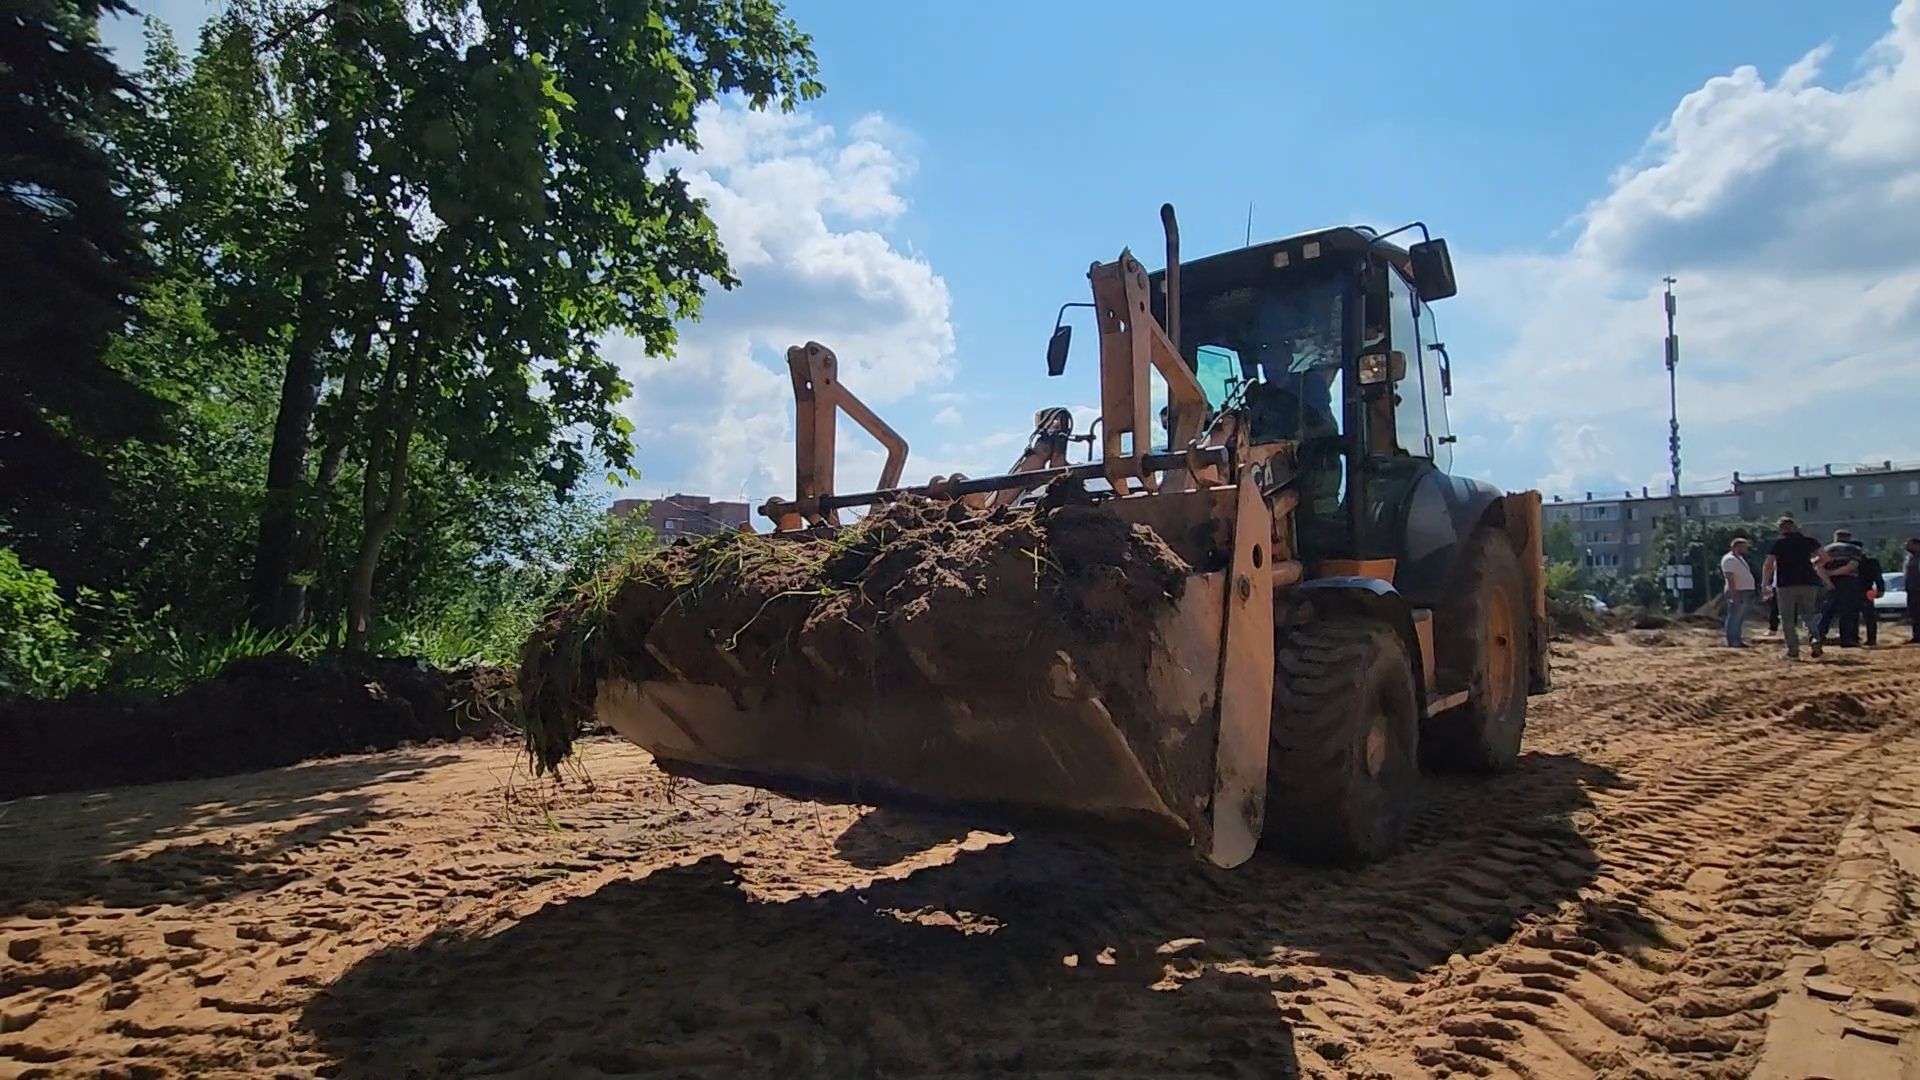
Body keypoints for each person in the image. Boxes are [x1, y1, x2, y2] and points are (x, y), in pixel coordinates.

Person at [1762, 516, 1825, 659]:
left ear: (1781, 529)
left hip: (1786, 584)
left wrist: (1765, 583)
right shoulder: (1809, 541)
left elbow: (1769, 564)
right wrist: (1813, 562)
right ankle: (1814, 638)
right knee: (1809, 615)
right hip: (1809, 582)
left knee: (1788, 619)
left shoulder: (1779, 544)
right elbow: (1825, 557)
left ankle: (1793, 651)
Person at [1815, 529, 1866, 648]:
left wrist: (1828, 580)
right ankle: (1846, 639)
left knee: (1828, 611)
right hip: (1848, 581)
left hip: (1831, 583)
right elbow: (1852, 566)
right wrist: (1835, 573)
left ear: (1835, 537)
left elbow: (1818, 567)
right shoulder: (1854, 549)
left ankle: (1818, 636)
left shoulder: (1826, 550)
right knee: (1847, 611)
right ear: (1849, 538)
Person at [1719, 537, 1756, 647]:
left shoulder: (1739, 558)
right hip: (1738, 591)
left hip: (1744, 591)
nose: (1746, 549)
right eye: (1744, 547)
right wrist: (1733, 594)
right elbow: (1730, 578)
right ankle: (1733, 641)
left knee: (1739, 618)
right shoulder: (1729, 559)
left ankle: (1737, 639)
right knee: (1734, 617)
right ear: (1737, 547)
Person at [1856, 537, 1885, 647]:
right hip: (1861, 590)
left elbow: (1878, 577)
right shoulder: (1870, 561)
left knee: (1869, 616)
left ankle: (1871, 639)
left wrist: (1880, 589)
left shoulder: (1870, 562)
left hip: (1866, 590)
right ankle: (1856, 638)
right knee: (1860, 616)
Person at [1906, 537, 1920, 645]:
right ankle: (1917, 635)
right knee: (1914, 614)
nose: (1907, 546)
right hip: (1912, 590)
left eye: (1909, 544)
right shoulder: (1910, 558)